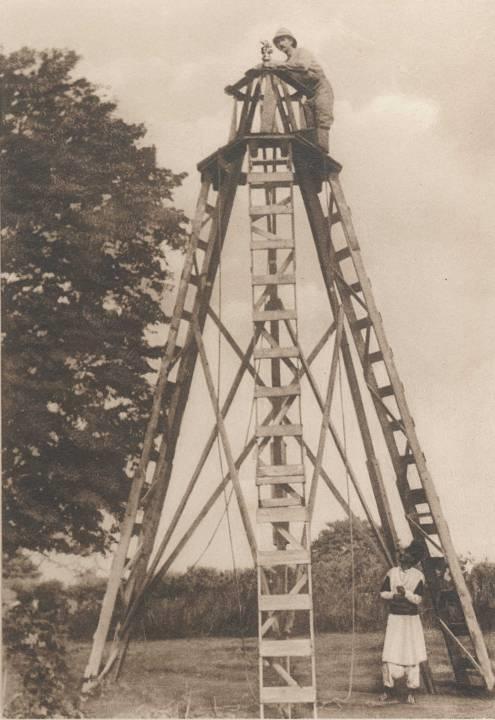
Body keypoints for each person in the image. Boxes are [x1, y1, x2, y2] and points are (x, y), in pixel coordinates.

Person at [268, 27, 334, 152]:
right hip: (308, 94)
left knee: (322, 122)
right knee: (310, 126)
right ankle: (313, 157)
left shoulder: (302, 52)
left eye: (283, 40)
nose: (280, 44)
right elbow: (296, 82)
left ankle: (323, 157)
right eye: (277, 42)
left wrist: (278, 64)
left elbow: (303, 66)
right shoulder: (286, 63)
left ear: (291, 41)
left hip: (321, 89)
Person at [379, 540, 428, 704]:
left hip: (410, 621)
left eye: (406, 553)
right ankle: (387, 689)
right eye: (403, 553)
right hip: (395, 619)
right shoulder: (392, 573)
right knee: (389, 654)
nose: (402, 555)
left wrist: (405, 593)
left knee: (411, 655)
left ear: (412, 559)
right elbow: (383, 593)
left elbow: (418, 599)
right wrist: (394, 595)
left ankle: (411, 692)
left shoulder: (418, 576)